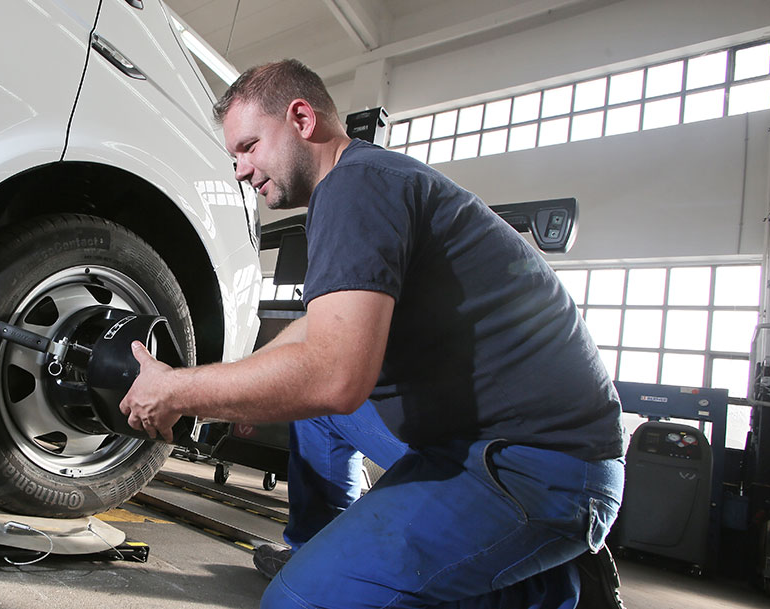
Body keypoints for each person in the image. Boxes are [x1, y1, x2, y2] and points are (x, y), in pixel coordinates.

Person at [120, 58, 627, 609]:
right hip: (487, 436)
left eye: (248, 146)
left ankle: (546, 589)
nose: (240, 170)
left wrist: (175, 391)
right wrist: (237, 390)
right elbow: (318, 330)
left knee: (296, 604)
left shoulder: (356, 187)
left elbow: (336, 376)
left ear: (301, 118)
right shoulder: (365, 183)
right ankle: (323, 550)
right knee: (313, 415)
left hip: (538, 467)